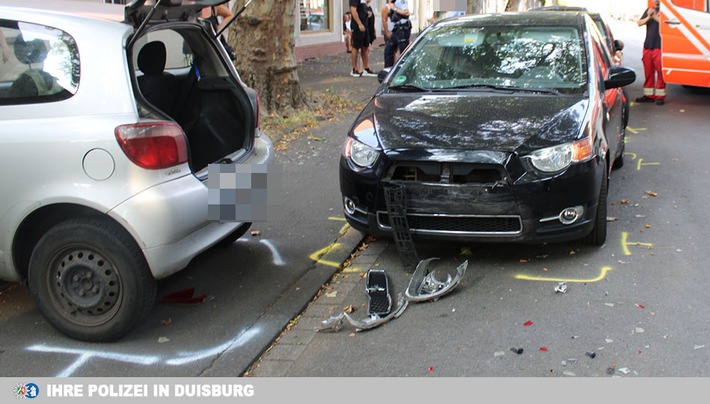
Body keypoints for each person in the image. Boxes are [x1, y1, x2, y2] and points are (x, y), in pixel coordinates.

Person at [636, 0, 665, 105]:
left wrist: (654, 17)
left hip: (659, 46)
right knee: (648, 71)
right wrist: (649, 17)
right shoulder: (649, 10)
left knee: (660, 71)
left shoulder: (665, 11)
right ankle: (649, 95)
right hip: (648, 45)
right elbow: (639, 23)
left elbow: (664, 24)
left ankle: (660, 96)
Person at [349, 0, 377, 77]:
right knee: (356, 46)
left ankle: (366, 68)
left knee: (365, 46)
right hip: (358, 26)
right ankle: (354, 69)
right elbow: (353, 10)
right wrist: (359, 23)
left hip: (365, 25)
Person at [383, 0, 411, 69]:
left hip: (402, 29)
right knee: (388, 50)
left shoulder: (400, 1)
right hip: (396, 29)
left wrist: (394, 9)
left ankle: (408, 71)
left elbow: (407, 12)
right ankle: (389, 71)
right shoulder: (393, 3)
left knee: (404, 52)